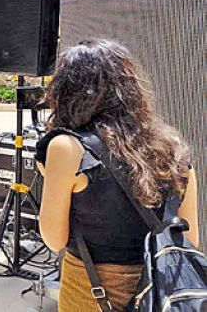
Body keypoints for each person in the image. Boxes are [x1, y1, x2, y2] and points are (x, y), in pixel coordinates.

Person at [35, 40, 200, 311]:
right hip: (162, 292)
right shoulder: (171, 147)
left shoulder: (68, 148)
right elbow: (190, 238)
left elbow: (54, 238)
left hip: (91, 291)